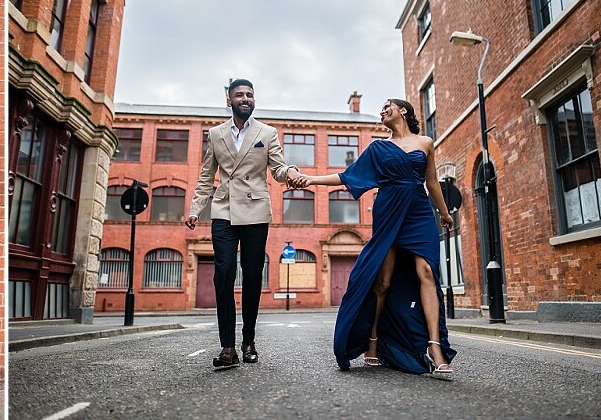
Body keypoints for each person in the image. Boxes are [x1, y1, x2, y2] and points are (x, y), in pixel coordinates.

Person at [291, 99, 456, 378]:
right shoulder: (378, 148)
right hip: (389, 209)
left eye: (387, 106)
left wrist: (444, 212)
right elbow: (347, 176)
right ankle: (373, 340)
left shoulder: (426, 142)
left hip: (418, 209)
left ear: (403, 110)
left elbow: (431, 182)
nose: (382, 111)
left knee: (426, 270)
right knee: (383, 282)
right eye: (380, 109)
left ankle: (435, 346)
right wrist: (310, 179)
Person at [185, 79, 306, 370]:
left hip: (255, 210)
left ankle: (248, 339)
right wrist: (194, 209)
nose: (245, 98)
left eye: (249, 94)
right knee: (223, 274)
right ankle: (227, 347)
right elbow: (206, 176)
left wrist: (289, 171)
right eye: (239, 94)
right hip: (224, 209)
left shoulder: (267, 132)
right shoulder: (215, 134)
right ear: (229, 101)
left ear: (254, 100)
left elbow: (277, 168)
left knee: (252, 276)